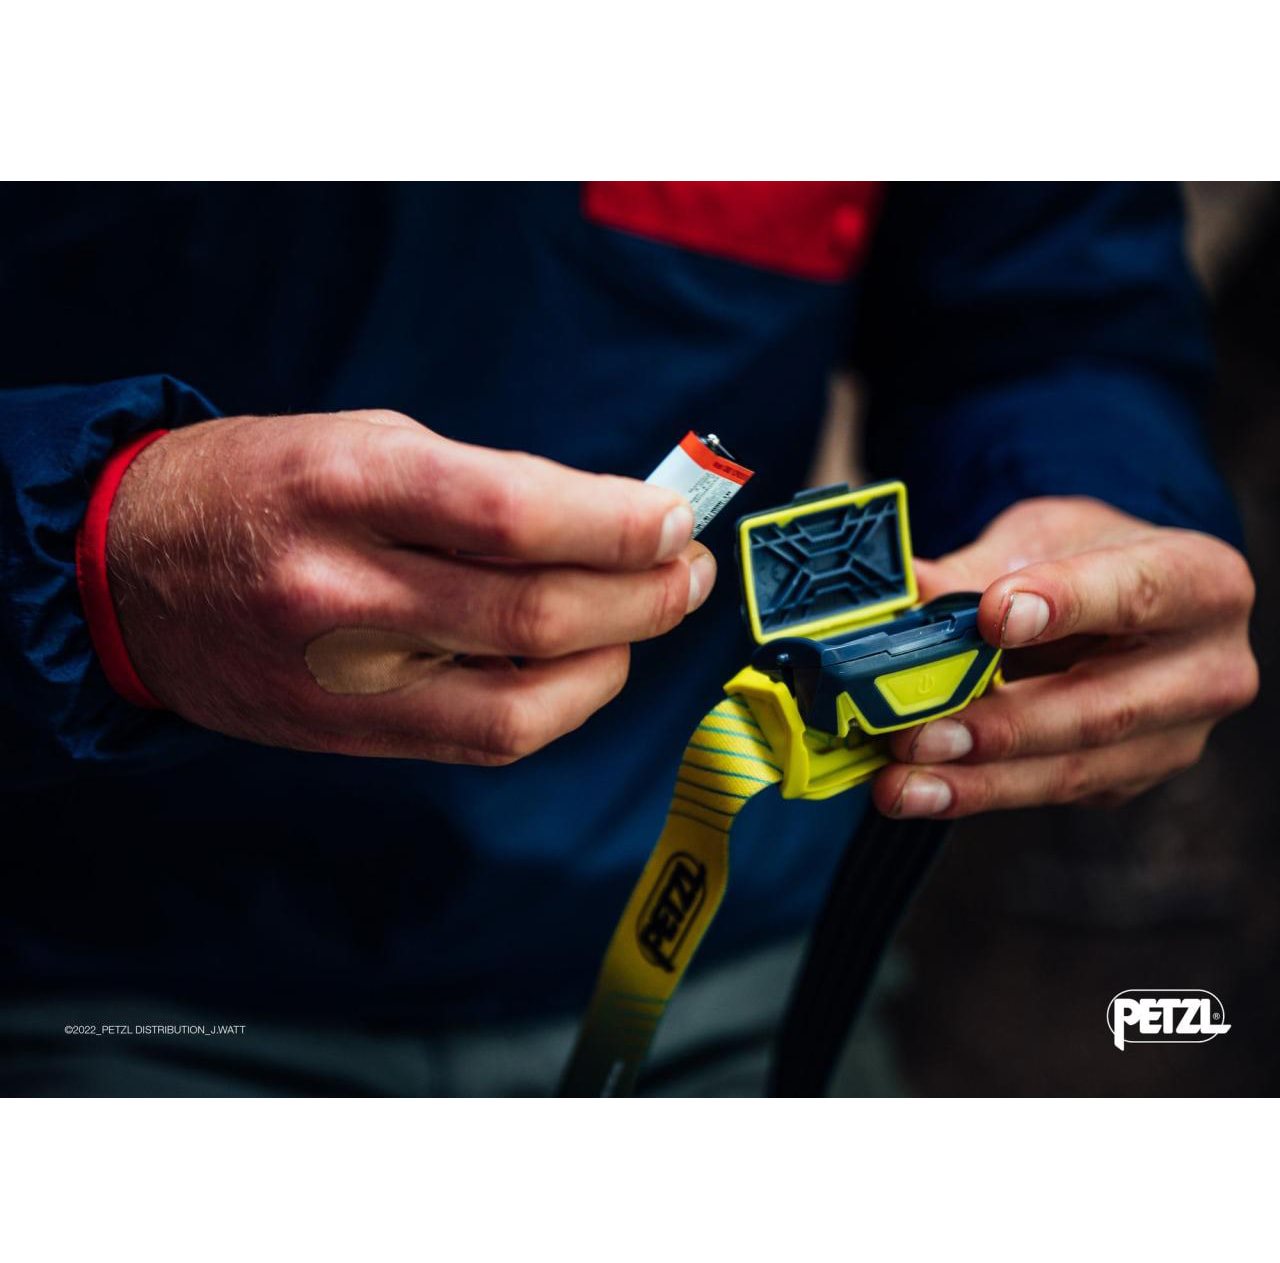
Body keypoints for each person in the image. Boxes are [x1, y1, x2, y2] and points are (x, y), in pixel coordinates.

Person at [0, 183, 1257, 1096]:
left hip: (732, 964)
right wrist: (91, 553)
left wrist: (1100, 500)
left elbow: (1048, 314)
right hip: (93, 972)